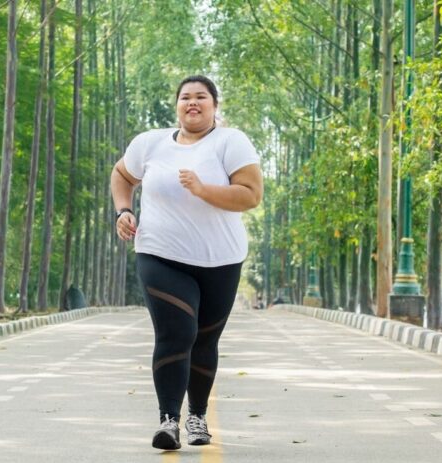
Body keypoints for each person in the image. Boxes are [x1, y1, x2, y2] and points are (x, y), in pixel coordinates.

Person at [110, 75, 263, 450]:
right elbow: (121, 175)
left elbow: (251, 195)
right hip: (160, 253)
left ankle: (197, 416)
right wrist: (124, 210)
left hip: (220, 260)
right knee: (176, 332)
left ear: (214, 105)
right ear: (176, 104)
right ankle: (168, 421)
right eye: (185, 98)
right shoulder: (149, 143)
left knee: (204, 339)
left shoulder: (231, 142)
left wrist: (203, 189)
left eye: (200, 97)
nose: (192, 103)